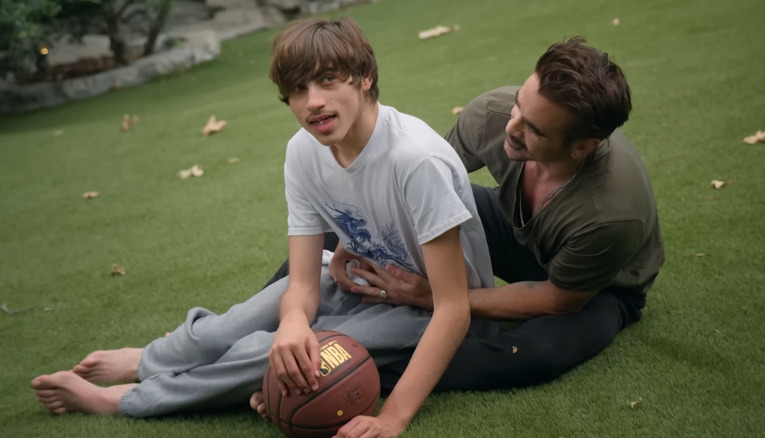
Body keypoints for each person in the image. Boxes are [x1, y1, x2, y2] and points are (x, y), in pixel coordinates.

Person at [30, 17, 497, 437]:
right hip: (355, 279)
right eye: (297, 90)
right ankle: (149, 359)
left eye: (328, 80)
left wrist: (391, 418)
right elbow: (300, 279)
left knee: (271, 353)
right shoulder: (303, 151)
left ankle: (126, 400)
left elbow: (453, 309)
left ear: (365, 77)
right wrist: (294, 317)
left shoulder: (415, 161)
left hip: (421, 307)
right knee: (231, 328)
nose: (313, 103)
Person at [264, 36, 665, 391]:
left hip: (598, 285)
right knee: (347, 220)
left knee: (533, 354)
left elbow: (558, 298)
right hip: (511, 223)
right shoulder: (492, 114)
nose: (512, 127)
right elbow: (420, 185)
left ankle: (338, 374)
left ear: (582, 147)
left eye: (534, 131)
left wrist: (433, 298)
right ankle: (275, 325)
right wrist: (361, 232)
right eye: (519, 106)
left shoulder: (611, 215)